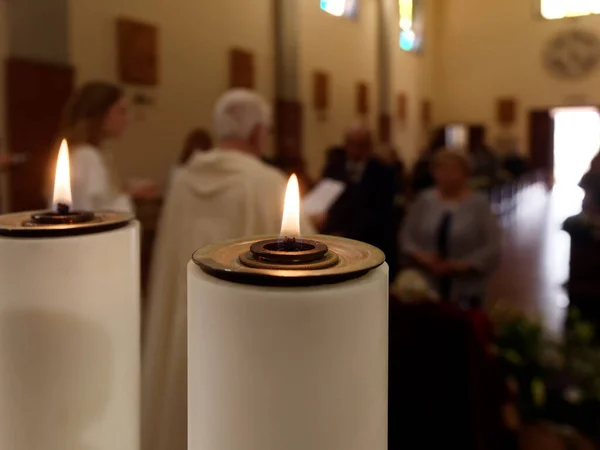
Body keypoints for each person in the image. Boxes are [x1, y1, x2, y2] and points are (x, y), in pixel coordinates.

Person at [142, 89, 316, 450]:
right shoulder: (266, 182)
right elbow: (310, 258)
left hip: (183, 318)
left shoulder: (184, 179)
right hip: (242, 330)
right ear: (256, 133)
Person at [401, 150, 500, 307]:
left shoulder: (478, 204)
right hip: (426, 284)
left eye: (453, 170)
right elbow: (406, 236)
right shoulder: (424, 200)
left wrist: (459, 265)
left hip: (466, 286)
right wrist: (422, 257)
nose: (447, 175)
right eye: (441, 170)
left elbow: (493, 246)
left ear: (466, 173)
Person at [60, 81, 155, 212]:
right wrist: (132, 196)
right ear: (101, 115)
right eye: (121, 111)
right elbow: (92, 214)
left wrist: (125, 191)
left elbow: (100, 201)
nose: (127, 119)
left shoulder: (90, 154)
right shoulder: (86, 156)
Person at [320, 123, 398, 278]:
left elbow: (381, 213)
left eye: (361, 145)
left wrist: (348, 234)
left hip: (368, 241)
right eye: (351, 145)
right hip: (334, 239)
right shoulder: (334, 168)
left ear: (369, 146)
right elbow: (326, 199)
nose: (355, 150)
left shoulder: (383, 172)